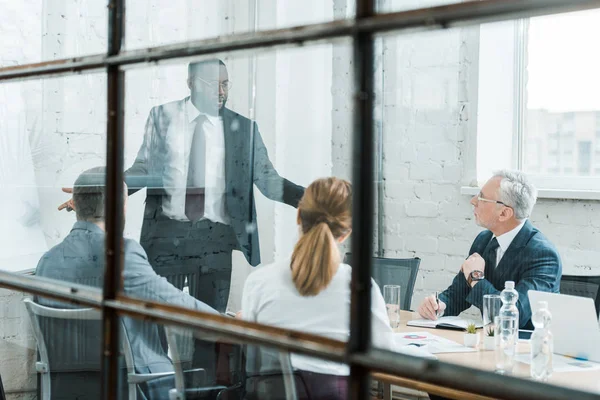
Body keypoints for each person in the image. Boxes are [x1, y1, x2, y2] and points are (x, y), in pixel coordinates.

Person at [59, 59, 305, 313]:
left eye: (225, 84)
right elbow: (142, 169)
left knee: (208, 327)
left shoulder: (244, 129)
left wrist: (314, 201)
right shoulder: (162, 117)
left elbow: (268, 181)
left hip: (215, 241)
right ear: (190, 84)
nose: (221, 92)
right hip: (166, 237)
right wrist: (94, 190)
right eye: (212, 84)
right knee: (155, 322)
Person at [241, 177, 434, 400]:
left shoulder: (258, 282)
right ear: (346, 233)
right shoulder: (359, 286)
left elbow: (250, 353)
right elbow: (384, 351)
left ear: (298, 215)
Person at [38, 167, 220, 399]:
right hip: (134, 387)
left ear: (75, 204)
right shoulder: (122, 253)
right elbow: (176, 304)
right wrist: (229, 324)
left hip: (69, 390)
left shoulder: (47, 262)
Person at [417, 170, 562, 330]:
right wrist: (439, 305)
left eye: (481, 198)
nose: (473, 201)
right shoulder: (483, 240)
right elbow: (460, 294)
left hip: (524, 348)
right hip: (490, 343)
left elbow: (513, 317)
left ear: (504, 213)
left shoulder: (543, 255)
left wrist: (476, 277)